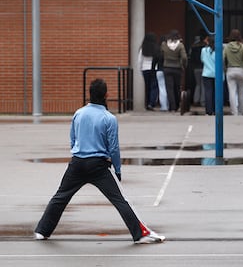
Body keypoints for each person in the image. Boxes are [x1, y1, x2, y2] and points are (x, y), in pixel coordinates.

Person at [34, 79, 165, 244]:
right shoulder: (109, 118)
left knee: (60, 197)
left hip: (77, 163)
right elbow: (114, 148)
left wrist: (79, 152)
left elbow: (72, 139)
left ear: (89, 94)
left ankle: (42, 231)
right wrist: (117, 169)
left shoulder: (79, 113)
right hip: (98, 166)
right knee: (120, 200)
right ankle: (140, 233)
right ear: (106, 95)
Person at [224, 29, 243, 115]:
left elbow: (223, 58)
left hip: (230, 70)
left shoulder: (227, 47)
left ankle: (234, 112)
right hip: (241, 70)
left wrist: (225, 68)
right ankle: (242, 111)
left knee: (232, 92)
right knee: (241, 92)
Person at [161, 30, 188, 112]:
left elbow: (161, 54)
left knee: (169, 88)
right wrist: (184, 65)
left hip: (167, 68)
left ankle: (172, 107)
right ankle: (177, 105)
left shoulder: (164, 44)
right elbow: (184, 57)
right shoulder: (180, 45)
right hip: (177, 68)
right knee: (177, 87)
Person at [138, 33, 159, 111]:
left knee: (147, 87)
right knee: (154, 86)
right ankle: (151, 103)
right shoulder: (156, 48)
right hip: (154, 69)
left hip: (145, 69)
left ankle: (147, 103)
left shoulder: (143, 48)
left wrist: (140, 69)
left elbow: (140, 60)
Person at [189, 30, 208, 107]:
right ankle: (203, 101)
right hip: (204, 67)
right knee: (203, 85)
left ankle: (196, 100)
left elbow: (190, 57)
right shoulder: (206, 47)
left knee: (198, 84)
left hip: (196, 68)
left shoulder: (193, 47)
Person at [200, 35, 217, 115]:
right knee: (216, 93)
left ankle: (208, 110)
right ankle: (215, 109)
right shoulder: (219, 50)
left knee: (208, 92)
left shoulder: (204, 50)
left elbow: (202, 60)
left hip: (206, 73)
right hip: (217, 74)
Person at [153, 35, 169, 111]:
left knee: (162, 89)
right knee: (168, 88)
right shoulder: (169, 50)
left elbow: (154, 61)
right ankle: (169, 105)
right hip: (167, 70)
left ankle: (164, 106)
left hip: (159, 70)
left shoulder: (157, 50)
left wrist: (153, 69)